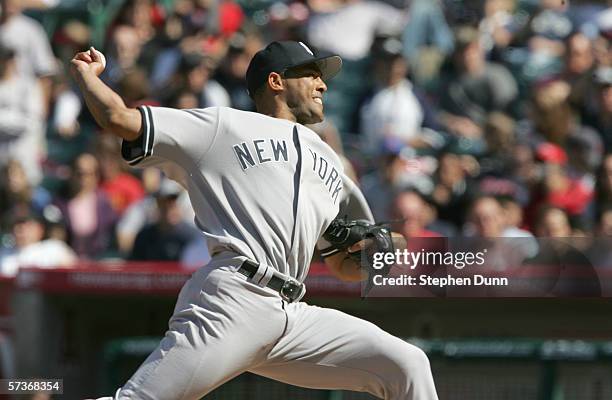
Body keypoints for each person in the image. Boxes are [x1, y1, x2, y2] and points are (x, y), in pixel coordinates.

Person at [71, 42, 438, 399]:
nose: (323, 85)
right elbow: (119, 117)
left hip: (292, 316)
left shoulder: (332, 165)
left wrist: (380, 254)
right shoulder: (222, 126)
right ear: (277, 82)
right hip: (233, 299)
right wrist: (88, 76)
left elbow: (343, 265)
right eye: (311, 74)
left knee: (407, 365)